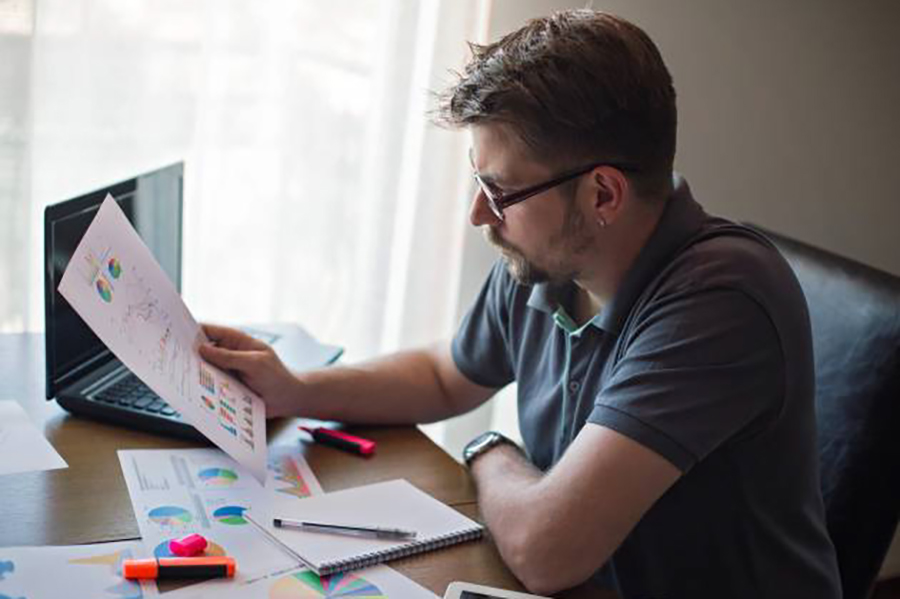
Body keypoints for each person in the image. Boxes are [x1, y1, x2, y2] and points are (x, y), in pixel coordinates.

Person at [199, 10, 842, 598]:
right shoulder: (550, 255)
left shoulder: (720, 299)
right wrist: (294, 388)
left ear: (603, 195)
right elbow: (445, 374)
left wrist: (488, 449)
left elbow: (545, 549)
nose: (479, 213)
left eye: (498, 190)